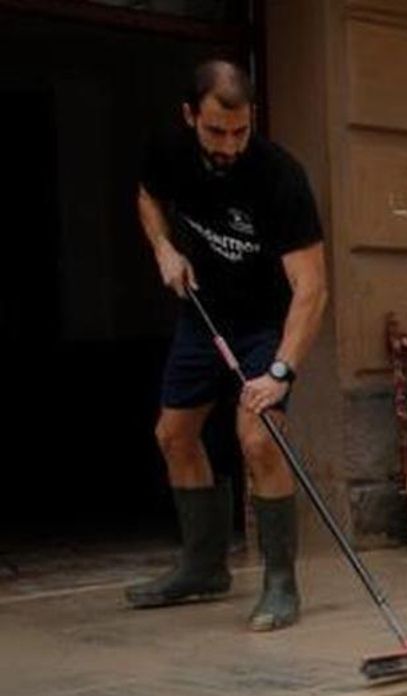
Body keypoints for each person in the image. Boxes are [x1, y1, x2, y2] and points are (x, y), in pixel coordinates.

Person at [126, 60, 327, 631]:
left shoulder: (279, 176)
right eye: (217, 132)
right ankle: (202, 565)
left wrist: (281, 371)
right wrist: (165, 249)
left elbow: (312, 288)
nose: (230, 146)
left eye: (240, 132)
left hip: (266, 324)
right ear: (190, 116)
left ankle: (281, 581)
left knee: (258, 440)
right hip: (203, 312)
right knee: (173, 433)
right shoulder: (168, 149)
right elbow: (147, 195)